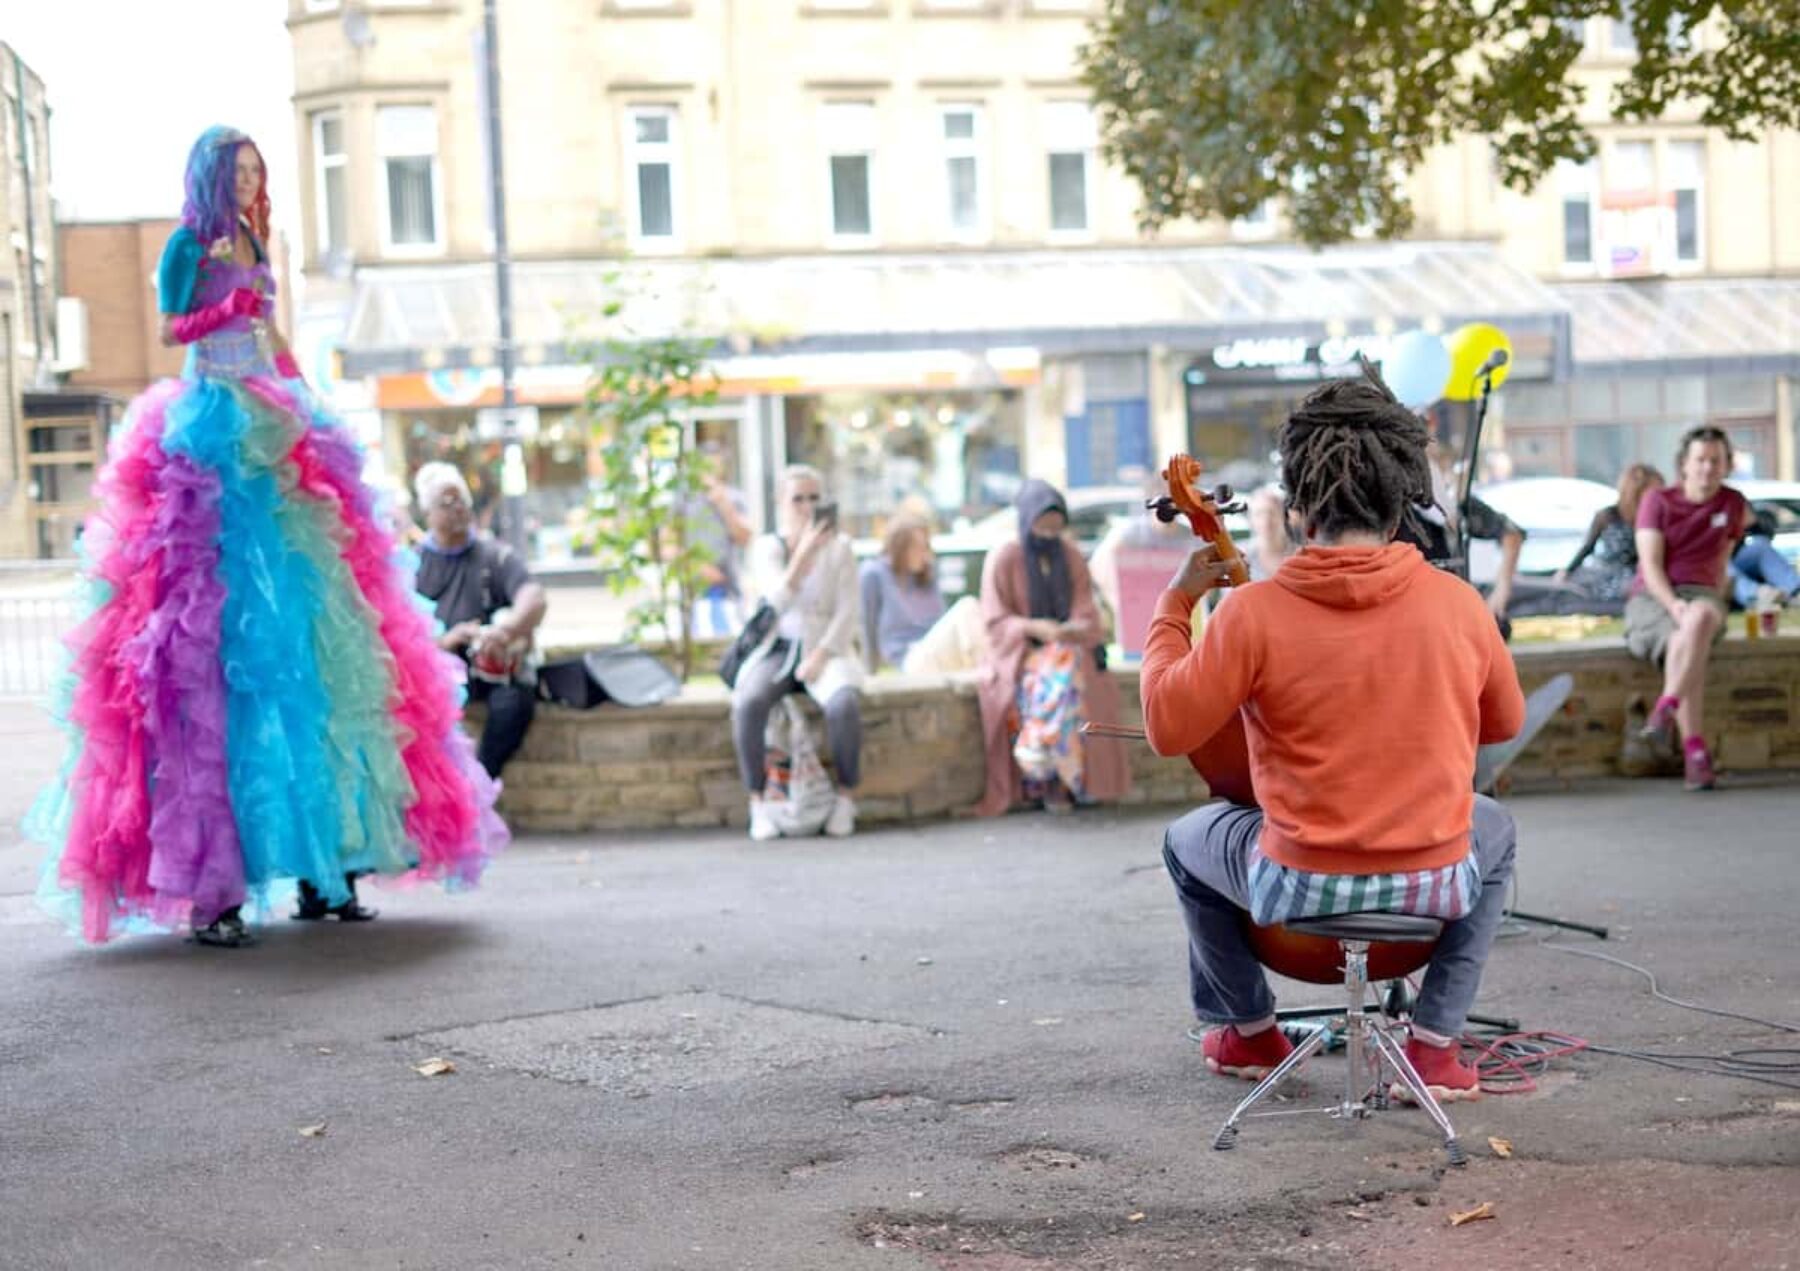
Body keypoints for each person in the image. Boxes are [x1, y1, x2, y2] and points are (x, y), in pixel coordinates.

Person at [24, 128, 507, 947]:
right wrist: (227, 306)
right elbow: (178, 326)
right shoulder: (187, 242)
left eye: (256, 172)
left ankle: (330, 873)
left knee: (324, 653)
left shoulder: (255, 238)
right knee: (211, 671)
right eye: (238, 172)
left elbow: (276, 340)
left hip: (274, 432)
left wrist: (312, 407)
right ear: (211, 177)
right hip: (212, 437)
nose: (250, 183)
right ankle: (213, 894)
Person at [1144, 371, 1525, 1102]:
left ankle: (1249, 1030)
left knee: (1186, 840)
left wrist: (1177, 601)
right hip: (1432, 893)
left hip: (1296, 895)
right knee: (1496, 828)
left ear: (1296, 511)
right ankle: (1437, 1046)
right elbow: (1502, 724)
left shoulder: (1250, 615)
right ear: (1401, 502)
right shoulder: (1459, 604)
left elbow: (1167, 724)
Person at [974, 480, 1131, 816]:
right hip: (1019, 653)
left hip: (1066, 648)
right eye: (1042, 527)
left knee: (1070, 671)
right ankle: (1053, 777)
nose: (1048, 535)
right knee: (1058, 676)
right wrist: (1034, 628)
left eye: (1055, 528)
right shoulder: (1005, 556)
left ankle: (1064, 774)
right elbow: (994, 619)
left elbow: (1085, 607)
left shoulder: (1070, 554)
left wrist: (1069, 629)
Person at [733, 465, 864, 841]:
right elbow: (774, 602)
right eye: (798, 499)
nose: (807, 506)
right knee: (748, 702)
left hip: (825, 648)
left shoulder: (841, 549)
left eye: (814, 498)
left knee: (843, 705)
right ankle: (758, 801)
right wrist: (802, 555)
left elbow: (847, 611)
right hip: (777, 648)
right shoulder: (767, 548)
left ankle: (845, 797)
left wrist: (821, 655)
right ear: (781, 503)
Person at [1627, 426, 1751, 791]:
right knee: (1689, 640)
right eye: (1700, 460)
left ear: (1727, 465)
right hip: (1653, 597)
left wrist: (1694, 603)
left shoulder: (1733, 503)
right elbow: (1649, 566)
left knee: (1698, 619)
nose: (1708, 468)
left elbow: (1721, 562)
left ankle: (1666, 707)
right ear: (1684, 464)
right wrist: (1673, 604)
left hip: (1703, 596)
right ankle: (1695, 752)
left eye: (1717, 460)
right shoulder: (1657, 501)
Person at [413, 462, 549, 781]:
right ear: (427, 514)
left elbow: (534, 596)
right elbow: (395, 635)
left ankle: (480, 786)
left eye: (461, 499)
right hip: (439, 673)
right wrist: (446, 641)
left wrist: (505, 631)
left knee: (513, 703)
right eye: (446, 503)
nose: (458, 509)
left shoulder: (494, 555)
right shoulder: (413, 564)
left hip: (489, 672)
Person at [1554, 463, 1665, 607]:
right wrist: (1567, 571)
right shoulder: (1608, 515)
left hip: (1642, 573)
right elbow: (1588, 547)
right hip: (1611, 574)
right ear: (1635, 491)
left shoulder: (1656, 519)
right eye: (1652, 492)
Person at [860, 513, 948, 672]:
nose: (925, 554)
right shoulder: (874, 574)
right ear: (900, 548)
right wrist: (870, 675)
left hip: (936, 651)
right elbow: (867, 629)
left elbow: (943, 624)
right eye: (918, 547)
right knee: (968, 609)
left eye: (926, 546)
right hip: (905, 658)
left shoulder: (927, 573)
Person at [685, 458, 756, 640]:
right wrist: (696, 565)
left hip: (729, 587)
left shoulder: (734, 497)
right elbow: (666, 543)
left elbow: (745, 537)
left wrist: (723, 503)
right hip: (694, 590)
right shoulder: (684, 499)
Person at [1726, 506, 1799, 612]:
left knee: (1760, 546)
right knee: (1719, 564)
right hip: (1706, 566)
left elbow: (1752, 524)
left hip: (1733, 560)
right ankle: (1758, 596)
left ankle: (1795, 590)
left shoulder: (1727, 504)